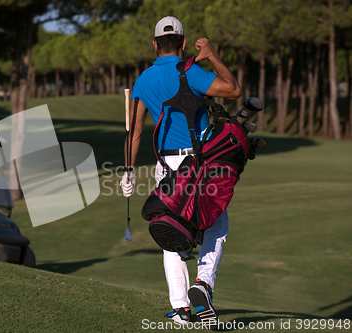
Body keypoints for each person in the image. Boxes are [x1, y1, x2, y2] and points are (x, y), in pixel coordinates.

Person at [120, 16, 241, 328]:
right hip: (202, 165)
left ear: (154, 44)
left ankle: (181, 310)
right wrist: (212, 54)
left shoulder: (143, 81)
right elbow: (233, 89)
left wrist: (128, 172)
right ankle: (202, 284)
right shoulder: (191, 72)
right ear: (184, 44)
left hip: (167, 168)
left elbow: (133, 132)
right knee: (215, 225)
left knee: (171, 230)